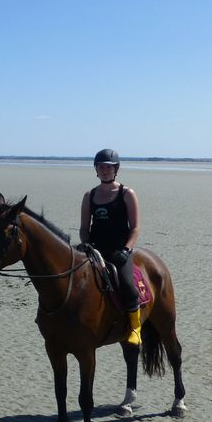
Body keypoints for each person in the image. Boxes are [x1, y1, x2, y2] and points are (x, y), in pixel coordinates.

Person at [79, 148, 142, 346]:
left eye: (109, 167)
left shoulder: (126, 193)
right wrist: (87, 245)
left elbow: (135, 228)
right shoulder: (89, 195)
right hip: (95, 250)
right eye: (101, 167)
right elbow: (84, 228)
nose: (105, 170)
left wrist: (126, 249)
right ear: (96, 170)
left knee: (127, 285)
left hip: (119, 250)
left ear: (116, 169)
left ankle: (135, 328)